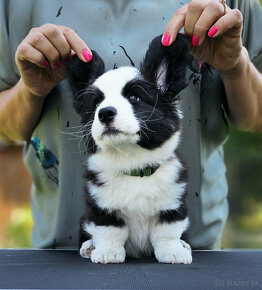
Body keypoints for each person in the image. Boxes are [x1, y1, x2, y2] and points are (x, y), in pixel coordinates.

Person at [0, 0, 261, 250]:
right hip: (61, 252)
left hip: (197, 252)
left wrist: (236, 65)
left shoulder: (236, 4)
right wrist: (30, 90)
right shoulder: (12, 4)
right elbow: (5, 128)